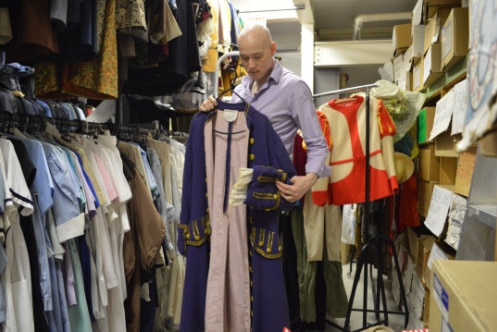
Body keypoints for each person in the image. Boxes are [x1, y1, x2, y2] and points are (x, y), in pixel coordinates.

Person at [199, 24, 330, 202]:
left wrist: (308, 180)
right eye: (245, 58)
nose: (251, 65)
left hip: (273, 195)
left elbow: (317, 144)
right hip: (238, 197)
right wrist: (210, 113)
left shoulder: (293, 88)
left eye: (257, 57)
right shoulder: (239, 91)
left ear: (273, 49)